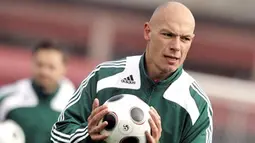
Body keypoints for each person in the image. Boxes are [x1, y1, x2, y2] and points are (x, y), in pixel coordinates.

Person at [51, 1, 213, 143]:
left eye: (185, 39)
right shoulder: (103, 77)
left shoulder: (197, 105)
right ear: (148, 31)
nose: (176, 47)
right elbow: (58, 135)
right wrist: (87, 134)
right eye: (168, 35)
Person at [0, 40, 75, 143]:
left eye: (51, 67)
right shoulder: (7, 97)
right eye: (40, 65)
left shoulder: (77, 105)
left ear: (64, 68)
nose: (44, 72)